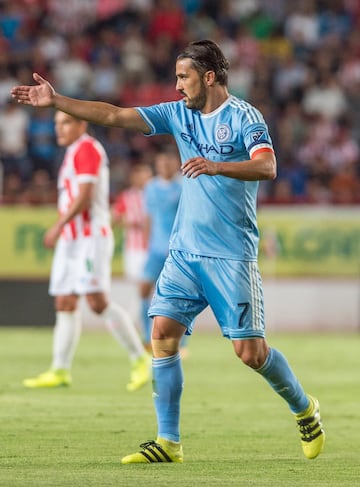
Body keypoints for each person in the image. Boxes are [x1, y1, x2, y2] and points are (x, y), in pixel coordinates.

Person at [11, 39, 325, 462]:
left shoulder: (244, 117)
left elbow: (268, 166)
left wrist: (216, 165)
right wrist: (57, 101)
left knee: (250, 353)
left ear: (209, 77)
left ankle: (304, 408)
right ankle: (168, 442)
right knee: (161, 334)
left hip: (231, 255)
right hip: (183, 253)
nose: (176, 87)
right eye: (176, 77)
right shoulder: (177, 114)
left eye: (184, 77)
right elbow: (113, 114)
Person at [22, 110, 150, 392]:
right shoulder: (71, 152)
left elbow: (85, 196)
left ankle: (140, 359)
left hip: (90, 238)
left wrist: (58, 225)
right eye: (56, 123)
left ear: (81, 123)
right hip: (71, 240)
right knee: (65, 302)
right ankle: (60, 369)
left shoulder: (88, 149)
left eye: (65, 122)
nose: (59, 129)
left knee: (96, 302)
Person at [139, 146, 188, 354]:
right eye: (161, 163)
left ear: (175, 164)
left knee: (179, 297)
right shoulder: (150, 187)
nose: (164, 166)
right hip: (155, 249)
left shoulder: (183, 186)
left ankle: (181, 344)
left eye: (168, 162)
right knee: (143, 290)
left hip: (177, 249)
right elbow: (148, 216)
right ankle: (146, 338)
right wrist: (146, 242)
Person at [111, 163, 153, 283]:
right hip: (134, 248)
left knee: (154, 283)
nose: (142, 179)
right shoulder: (126, 196)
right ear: (133, 178)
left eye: (145, 176)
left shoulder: (156, 194)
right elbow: (115, 217)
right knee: (134, 282)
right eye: (139, 176)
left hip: (155, 247)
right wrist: (128, 223)